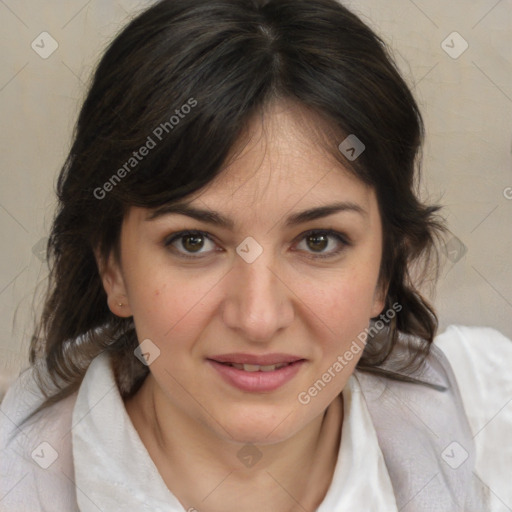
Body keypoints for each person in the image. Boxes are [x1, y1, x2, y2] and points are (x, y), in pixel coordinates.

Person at [1, 0, 511, 510]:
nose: (258, 318)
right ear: (113, 269)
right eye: (194, 242)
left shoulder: (493, 419)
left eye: (318, 241)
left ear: (385, 271)